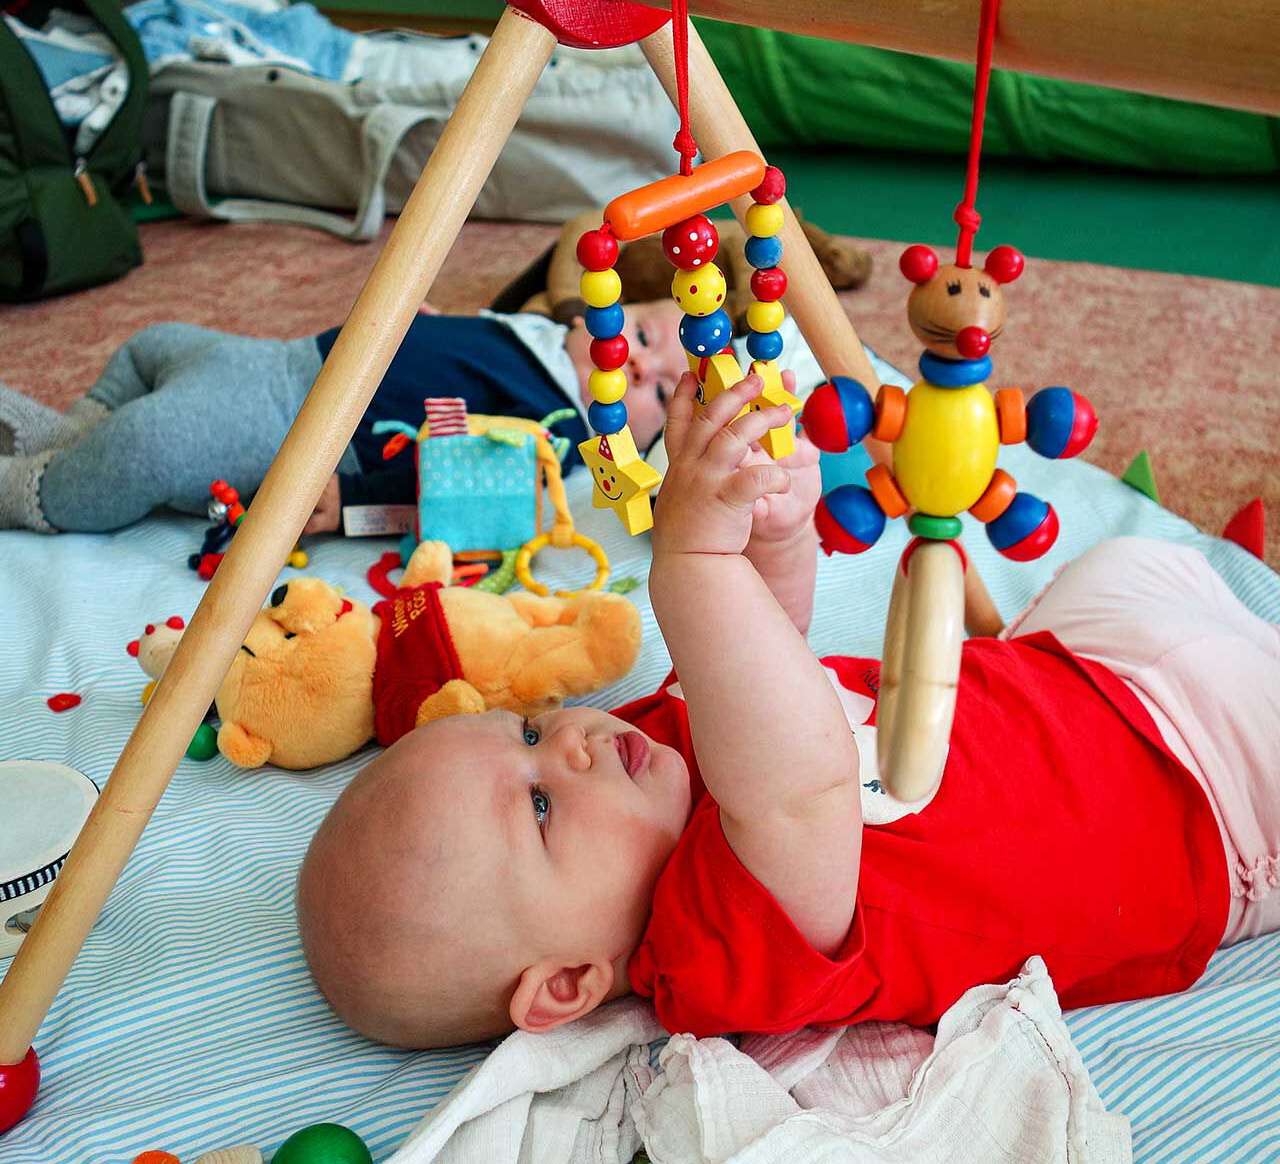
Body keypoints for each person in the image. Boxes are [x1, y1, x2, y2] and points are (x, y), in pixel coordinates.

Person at [296, 369, 1280, 1048]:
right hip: (1208, 804)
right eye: (541, 806)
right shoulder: (711, 946)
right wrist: (689, 562)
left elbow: (764, 633)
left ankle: (1230, 578)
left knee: (1125, 560)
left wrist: (767, 516)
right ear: (565, 982)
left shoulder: (652, 750)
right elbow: (800, 779)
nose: (572, 742)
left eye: (526, 730)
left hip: (1070, 670)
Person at [0, 301, 687, 534]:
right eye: (649, 337)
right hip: (281, 357)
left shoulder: (559, 429)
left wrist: (354, 500)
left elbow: (470, 482)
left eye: (656, 396)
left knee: (151, 446)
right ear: (596, 310)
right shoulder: (530, 329)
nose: (641, 368)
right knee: (153, 343)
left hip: (298, 422)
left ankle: (34, 492)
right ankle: (70, 439)